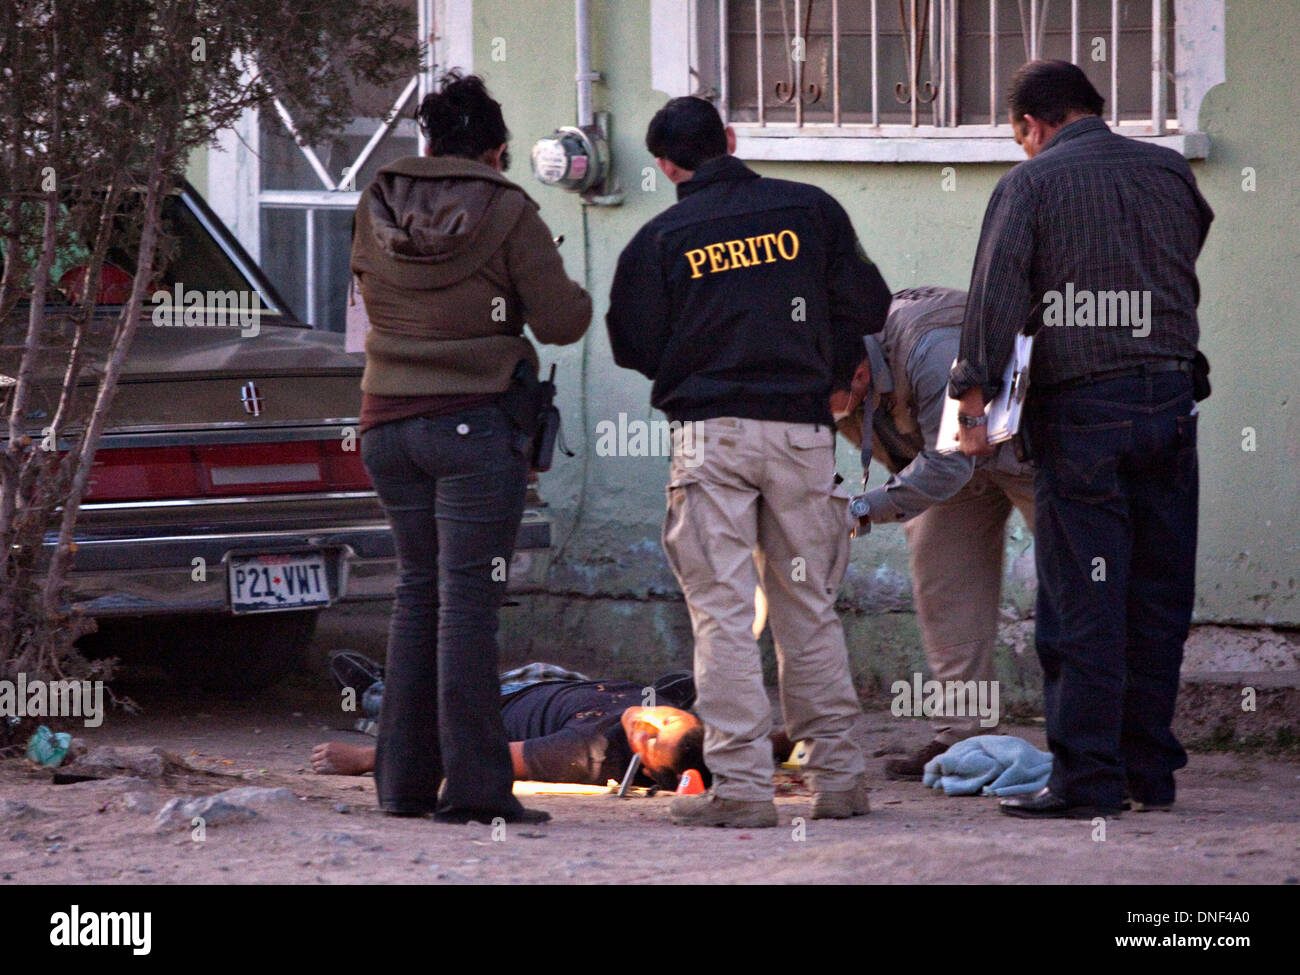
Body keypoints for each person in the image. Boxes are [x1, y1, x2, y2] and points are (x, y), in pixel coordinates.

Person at [606, 96, 892, 827]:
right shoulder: (810, 211)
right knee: (809, 608)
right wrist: (825, 369)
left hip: (712, 437)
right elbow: (867, 303)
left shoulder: (662, 237)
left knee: (724, 618)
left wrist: (700, 355)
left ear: (668, 166)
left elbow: (633, 343)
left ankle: (739, 790)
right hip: (802, 433)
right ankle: (841, 781)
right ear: (731, 140)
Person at [948, 60, 1213, 819]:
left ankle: (1088, 780)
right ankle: (1149, 772)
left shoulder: (1029, 186)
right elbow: (1186, 250)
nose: (1024, 148)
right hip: (1170, 404)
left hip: (1086, 416)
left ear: (1034, 125)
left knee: (1085, 600)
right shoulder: (1167, 171)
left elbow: (996, 296)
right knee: (1156, 595)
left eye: (1020, 137)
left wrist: (971, 407)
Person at [350, 71, 592, 825]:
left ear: (428, 141)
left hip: (386, 422)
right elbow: (561, 321)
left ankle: (402, 784)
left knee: (416, 593)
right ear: (497, 150)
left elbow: (367, 297)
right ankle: (480, 790)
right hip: (472, 429)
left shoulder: (376, 199)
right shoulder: (508, 207)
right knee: (468, 606)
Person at [837, 287, 1034, 778]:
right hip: (947, 458)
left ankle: (1105, 744)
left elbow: (946, 468)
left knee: (1078, 589)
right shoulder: (830, 373)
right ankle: (966, 742)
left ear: (860, 375)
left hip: (1033, 452)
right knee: (945, 590)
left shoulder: (933, 348)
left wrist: (853, 513)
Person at [313, 661, 711, 791]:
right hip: (562, 682)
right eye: (670, 718)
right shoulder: (663, 717)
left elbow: (477, 756)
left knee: (413, 703)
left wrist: (368, 759)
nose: (647, 722)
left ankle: (375, 692)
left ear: (642, 768)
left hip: (489, 705)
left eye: (649, 740)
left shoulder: (580, 753)